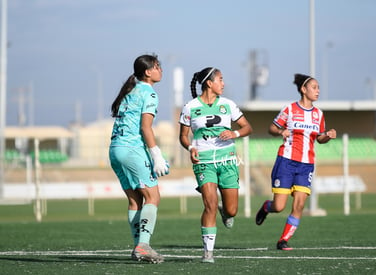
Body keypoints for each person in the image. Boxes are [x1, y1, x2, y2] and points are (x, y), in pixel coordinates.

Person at [179, 67, 253, 263]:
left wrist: (234, 133)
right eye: (220, 79)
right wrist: (190, 148)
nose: (223, 83)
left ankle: (225, 212)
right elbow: (183, 136)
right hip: (203, 162)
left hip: (227, 160)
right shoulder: (190, 107)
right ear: (209, 83)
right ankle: (208, 253)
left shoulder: (228, 105)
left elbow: (247, 127)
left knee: (232, 210)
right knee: (209, 204)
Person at [255, 73, 336, 250]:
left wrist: (328, 136)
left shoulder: (319, 114)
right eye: (314, 87)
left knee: (299, 205)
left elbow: (320, 139)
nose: (318, 91)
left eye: (318, 88)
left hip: (306, 165)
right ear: (303, 89)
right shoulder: (290, 109)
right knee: (279, 206)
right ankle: (266, 208)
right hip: (286, 162)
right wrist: (280, 132)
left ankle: (283, 240)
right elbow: (272, 128)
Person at [109, 54, 169, 264]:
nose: (161, 70)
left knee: (135, 200)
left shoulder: (130, 90)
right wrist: (156, 154)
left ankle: (138, 246)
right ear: (148, 72)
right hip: (132, 149)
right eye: (157, 66)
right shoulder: (149, 93)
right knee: (153, 197)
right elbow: (145, 127)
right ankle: (143, 246)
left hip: (115, 148)